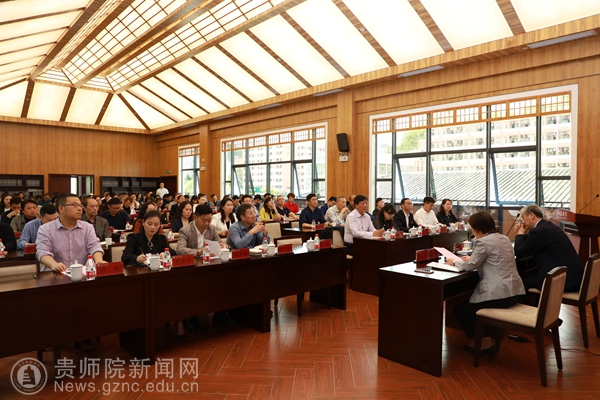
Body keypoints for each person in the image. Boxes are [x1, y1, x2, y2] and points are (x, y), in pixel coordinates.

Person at [447, 211, 525, 352]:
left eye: (472, 227)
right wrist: (472, 259)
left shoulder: (482, 242)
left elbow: (470, 266)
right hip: (515, 291)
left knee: (462, 310)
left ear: (477, 229)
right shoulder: (504, 238)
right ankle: (487, 337)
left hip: (499, 295)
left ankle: (483, 342)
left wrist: (454, 261)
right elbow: (493, 258)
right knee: (468, 305)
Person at [513, 204, 583, 292]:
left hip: (563, 281)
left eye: (523, 218)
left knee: (519, 284)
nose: (523, 222)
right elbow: (531, 243)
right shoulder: (547, 226)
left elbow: (519, 252)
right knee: (529, 276)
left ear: (531, 215)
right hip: (572, 277)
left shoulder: (538, 231)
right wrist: (523, 233)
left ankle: (539, 301)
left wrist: (520, 234)